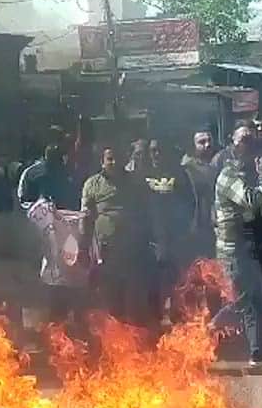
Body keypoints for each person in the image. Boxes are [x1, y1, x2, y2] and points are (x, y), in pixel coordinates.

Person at [212, 125, 262, 368]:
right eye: (243, 141)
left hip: (248, 247)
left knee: (258, 300)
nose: (250, 147)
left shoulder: (244, 173)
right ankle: (207, 332)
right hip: (233, 250)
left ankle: (260, 349)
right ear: (233, 148)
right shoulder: (228, 176)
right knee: (244, 303)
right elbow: (252, 201)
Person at [81, 146, 154, 327]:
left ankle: (135, 336)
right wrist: (84, 245)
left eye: (117, 158)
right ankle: (115, 336)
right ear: (102, 161)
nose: (114, 162)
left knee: (134, 295)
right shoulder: (92, 184)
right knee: (110, 294)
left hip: (132, 249)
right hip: (106, 249)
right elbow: (85, 217)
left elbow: (147, 213)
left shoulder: (136, 182)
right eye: (110, 158)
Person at [138, 138, 195, 322]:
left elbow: (190, 202)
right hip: (149, 238)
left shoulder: (179, 174)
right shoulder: (141, 175)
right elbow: (134, 205)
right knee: (152, 282)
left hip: (174, 237)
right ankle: (153, 321)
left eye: (160, 150)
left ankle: (179, 320)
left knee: (177, 280)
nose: (156, 154)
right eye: (153, 150)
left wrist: (185, 229)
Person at [182, 130, 221, 261]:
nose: (207, 145)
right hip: (198, 227)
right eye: (202, 142)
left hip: (217, 226)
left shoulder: (218, 162)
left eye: (209, 140)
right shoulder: (187, 169)